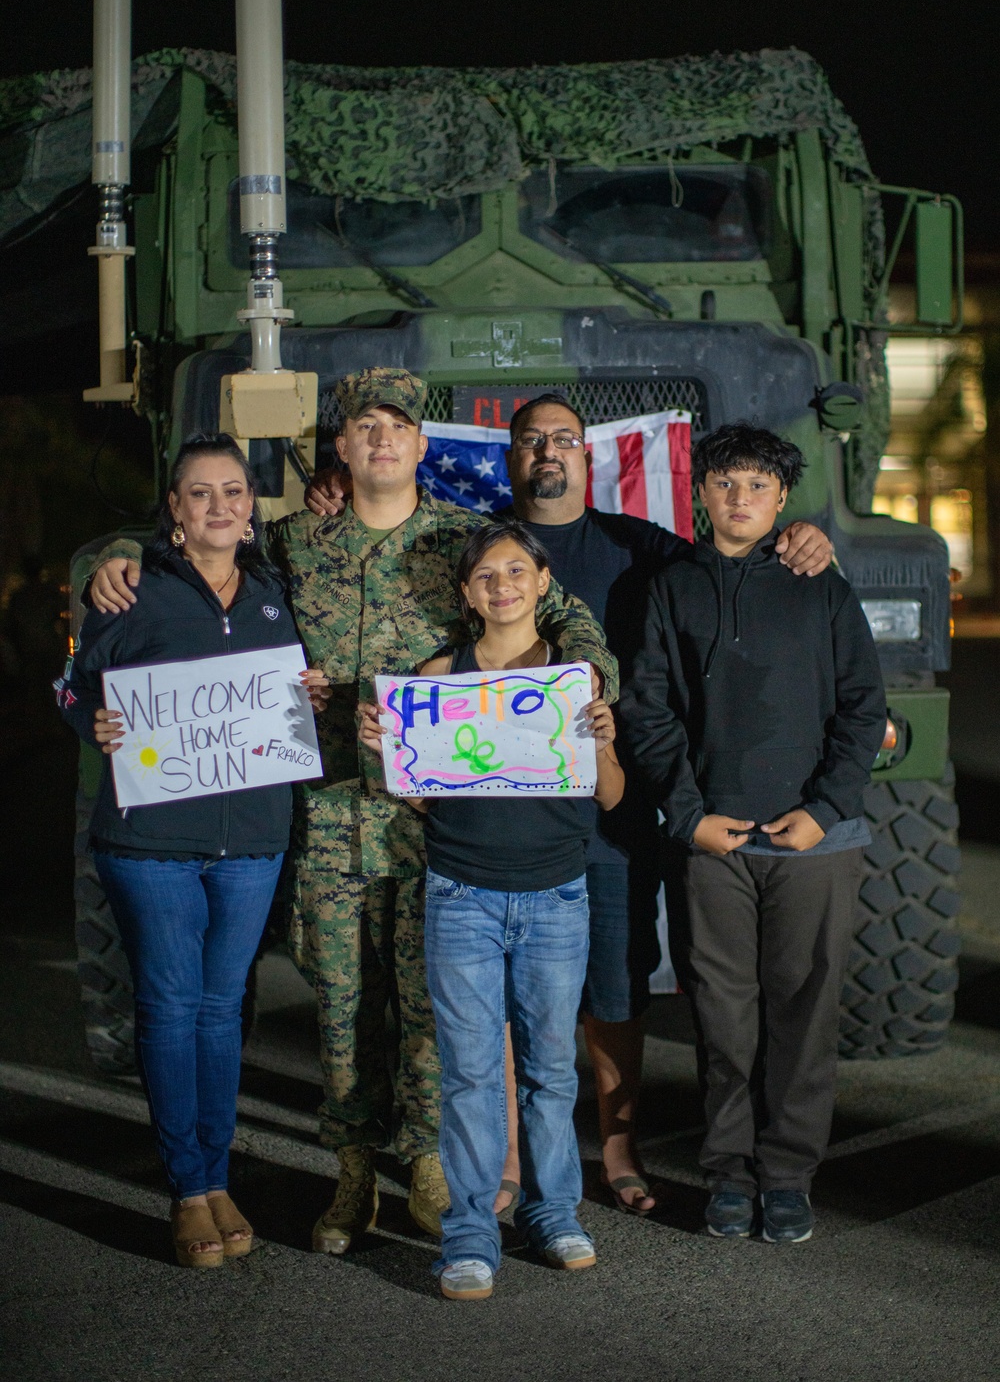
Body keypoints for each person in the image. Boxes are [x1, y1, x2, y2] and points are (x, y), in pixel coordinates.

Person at [87, 368, 618, 1255]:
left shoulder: (463, 539)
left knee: (431, 1005)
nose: (380, 439)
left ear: (420, 446)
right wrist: (128, 556)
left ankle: (429, 1166)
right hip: (328, 813)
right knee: (339, 999)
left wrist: (588, 682)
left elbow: (568, 617)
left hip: (437, 820)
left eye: (397, 426)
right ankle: (350, 1167)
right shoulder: (292, 544)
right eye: (363, 426)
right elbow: (204, 566)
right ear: (340, 447)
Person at [308, 392, 835, 1215]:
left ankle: (617, 1143)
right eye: (530, 440)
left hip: (609, 811)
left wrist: (805, 537)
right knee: (513, 991)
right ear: (510, 459)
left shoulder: (640, 545)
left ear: (587, 459)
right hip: (502, 822)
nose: (547, 451)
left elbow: (738, 552)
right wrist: (329, 488)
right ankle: (512, 1158)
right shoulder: (480, 546)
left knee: (614, 986)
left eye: (564, 439)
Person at [57, 433, 329, 1267]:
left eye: (235, 492)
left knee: (220, 1009)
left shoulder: (275, 596)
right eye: (200, 493)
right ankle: (187, 1188)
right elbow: (71, 684)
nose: (221, 505)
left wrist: (309, 694)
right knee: (172, 1007)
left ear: (252, 508)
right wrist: (87, 719)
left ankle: (217, 1176)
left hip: (250, 840)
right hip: (152, 844)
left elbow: (284, 707)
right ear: (174, 511)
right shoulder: (128, 590)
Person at [620, 422, 886, 1243]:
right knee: (724, 1017)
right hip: (715, 843)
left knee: (803, 1016)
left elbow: (863, 708)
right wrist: (689, 814)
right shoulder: (671, 587)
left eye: (758, 488)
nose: (741, 500)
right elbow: (650, 709)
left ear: (781, 500)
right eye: (726, 484)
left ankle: (789, 1176)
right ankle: (730, 1173)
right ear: (701, 492)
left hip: (814, 842)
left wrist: (828, 806)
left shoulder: (823, 587)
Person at [360, 521, 624, 1300]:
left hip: (556, 896)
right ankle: (471, 1233)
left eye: (517, 569)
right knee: (472, 1075)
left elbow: (610, 795)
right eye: (485, 574)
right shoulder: (442, 675)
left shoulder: (576, 678)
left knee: (549, 1070)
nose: (502, 584)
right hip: (463, 895)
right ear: (467, 591)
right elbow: (412, 793)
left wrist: (604, 741)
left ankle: (552, 1211)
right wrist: (387, 747)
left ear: (543, 581)